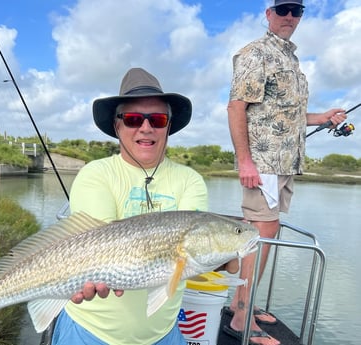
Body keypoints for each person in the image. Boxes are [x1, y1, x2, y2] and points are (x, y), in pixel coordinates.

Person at [51, 67, 239, 344]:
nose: (146, 128)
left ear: (169, 126)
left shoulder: (191, 181)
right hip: (87, 331)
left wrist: (227, 256)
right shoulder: (95, 173)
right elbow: (100, 247)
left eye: (158, 119)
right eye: (133, 119)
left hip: (162, 334)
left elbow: (194, 249)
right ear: (117, 125)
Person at [224, 1, 347, 345]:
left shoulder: (291, 59)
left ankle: (241, 302)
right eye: (283, 9)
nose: (290, 17)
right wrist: (245, 162)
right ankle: (241, 318)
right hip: (262, 165)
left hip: (284, 165)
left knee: (266, 235)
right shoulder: (255, 52)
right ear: (268, 14)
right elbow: (236, 107)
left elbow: (287, 116)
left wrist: (322, 117)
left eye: (297, 11)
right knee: (257, 238)